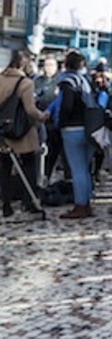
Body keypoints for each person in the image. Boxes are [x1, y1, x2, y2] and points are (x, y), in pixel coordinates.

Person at [1, 50, 49, 216]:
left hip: (3, 131)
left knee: (4, 168)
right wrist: (42, 116)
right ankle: (28, 201)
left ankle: (6, 204)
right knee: (29, 165)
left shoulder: (0, 78)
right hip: (22, 131)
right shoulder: (26, 83)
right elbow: (30, 110)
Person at [57, 50, 97, 219]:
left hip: (72, 128)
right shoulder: (86, 81)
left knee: (77, 169)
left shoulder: (68, 81)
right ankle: (86, 203)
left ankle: (80, 205)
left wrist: (61, 123)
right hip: (90, 128)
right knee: (85, 169)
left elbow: (66, 106)